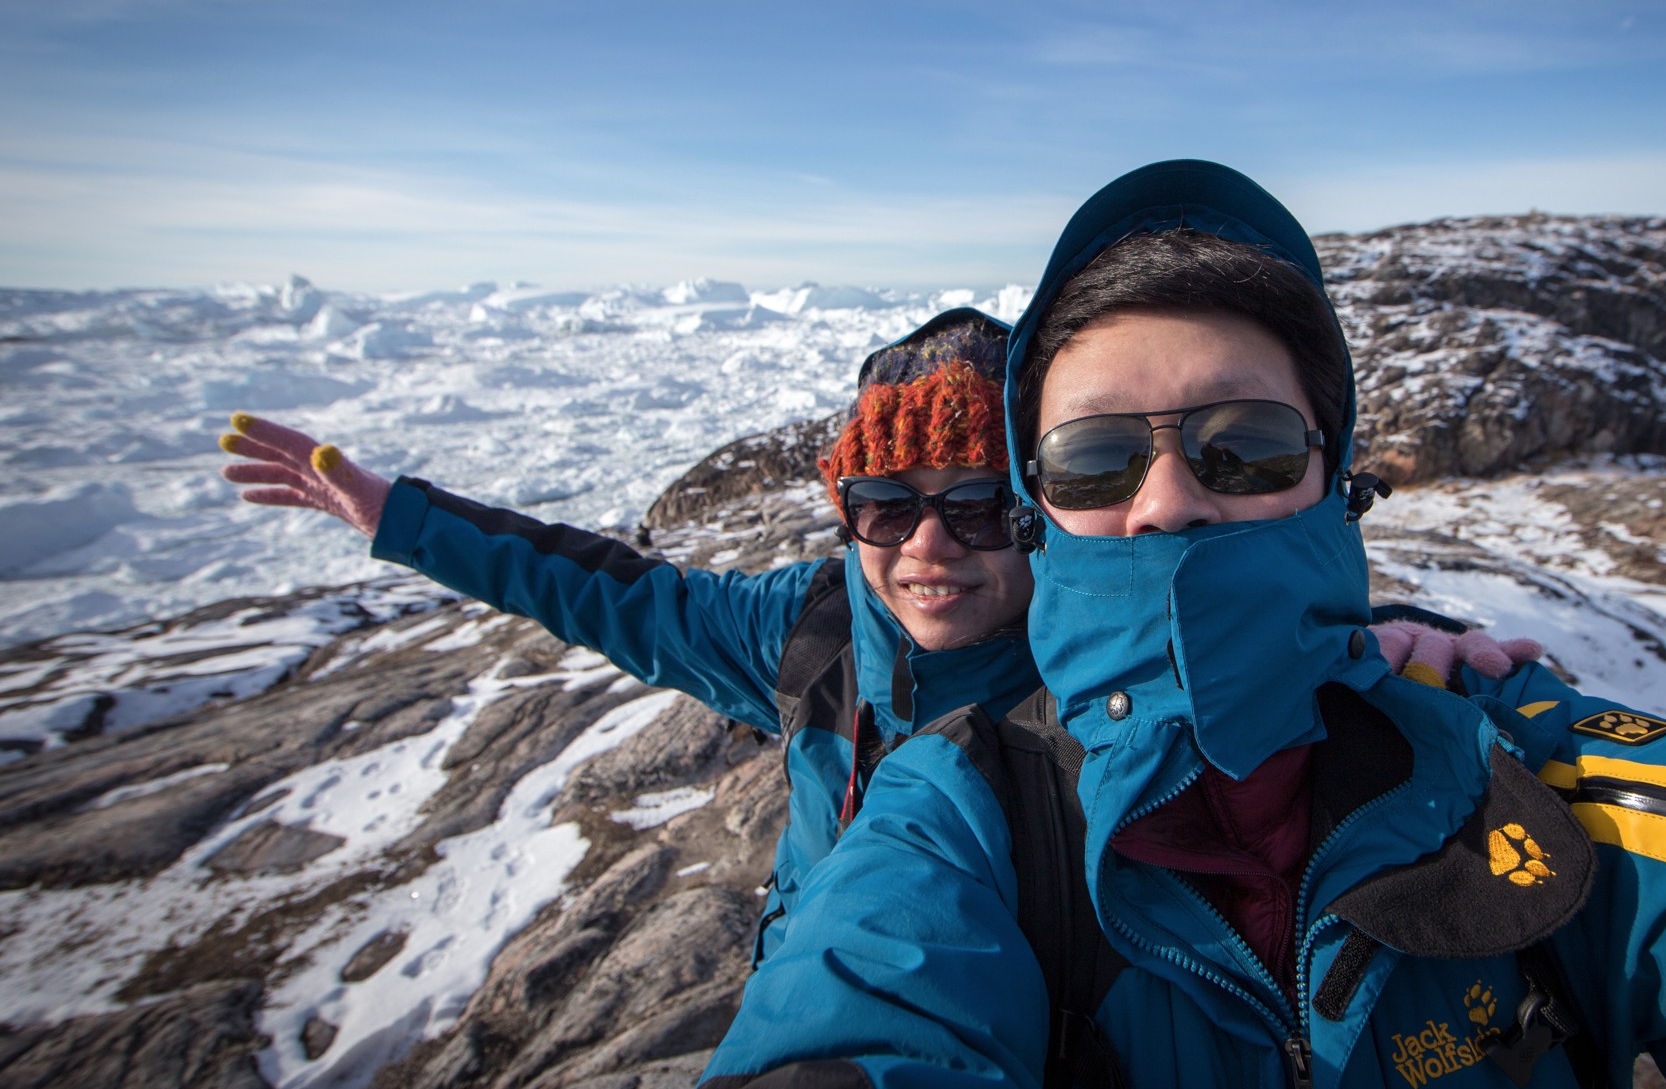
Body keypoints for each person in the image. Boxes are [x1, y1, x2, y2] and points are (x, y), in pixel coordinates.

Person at [667, 161, 1666, 1089]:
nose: (1166, 502)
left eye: (1247, 448)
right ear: (1047, 509)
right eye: (1098, 457)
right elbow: (869, 1033)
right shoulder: (963, 807)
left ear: (1331, 485)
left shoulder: (1503, 755)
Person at [220, 303, 1537, 966]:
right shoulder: (802, 627)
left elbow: (1260, 626)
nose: (925, 546)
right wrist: (399, 514)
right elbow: (600, 587)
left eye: (978, 507)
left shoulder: (1106, 655)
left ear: (1041, 516)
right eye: (883, 506)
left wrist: (1402, 639)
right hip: (823, 972)